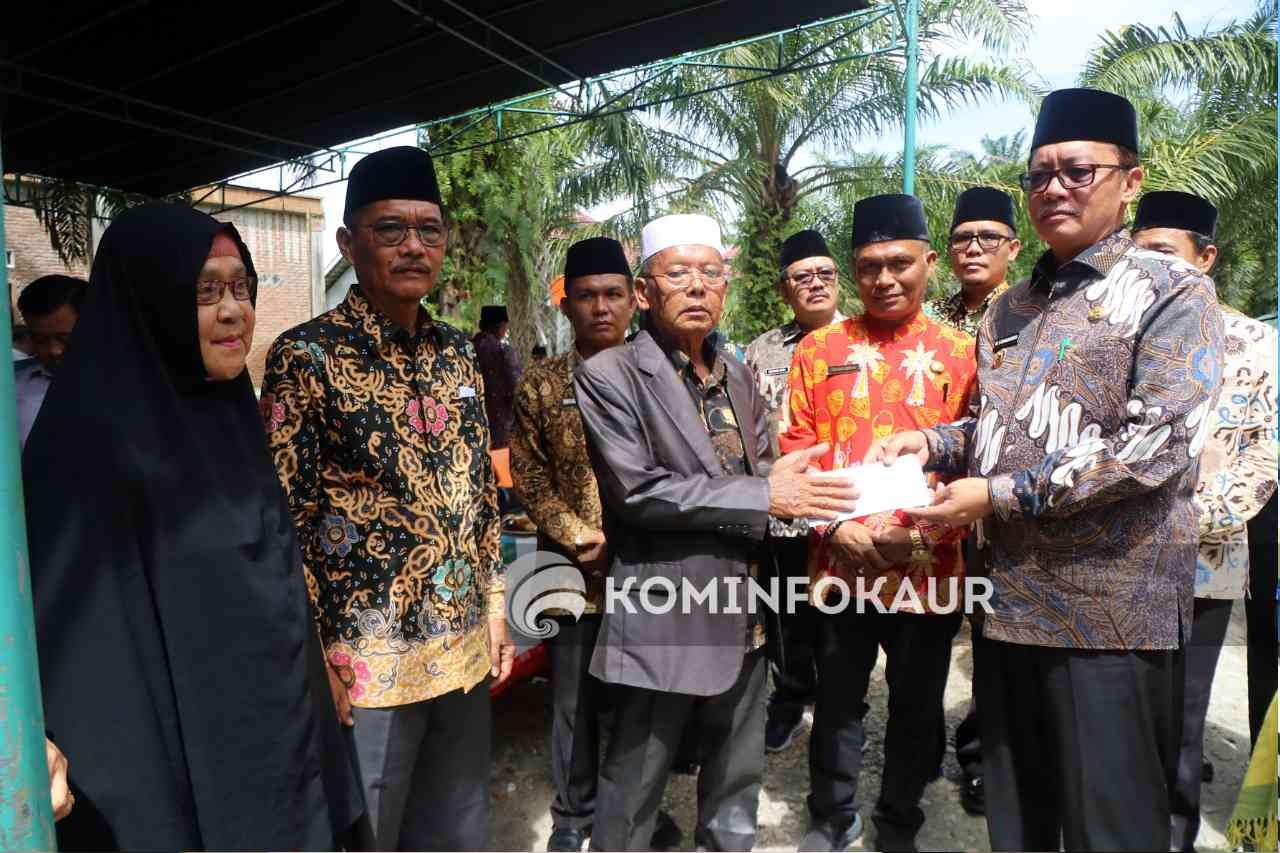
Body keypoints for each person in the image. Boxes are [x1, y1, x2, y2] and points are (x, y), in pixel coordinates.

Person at [869, 88, 1225, 852]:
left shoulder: (1175, 291)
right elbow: (998, 428)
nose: (1054, 188)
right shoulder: (1010, 309)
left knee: (1111, 829)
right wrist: (931, 444)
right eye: (1039, 174)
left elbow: (1152, 447)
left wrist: (993, 495)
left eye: (1077, 170)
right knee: (1018, 821)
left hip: (1110, 615)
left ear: (1130, 180)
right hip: (1007, 608)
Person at [25, 203, 362, 850]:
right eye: (204, 291)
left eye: (241, 287)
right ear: (152, 301)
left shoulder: (229, 418)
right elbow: (88, 672)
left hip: (277, 759)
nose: (233, 310)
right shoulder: (87, 456)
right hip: (183, 791)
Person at [573, 213, 859, 851]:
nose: (698, 286)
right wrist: (767, 492)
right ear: (646, 292)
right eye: (679, 273)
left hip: (746, 613)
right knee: (634, 786)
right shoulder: (610, 375)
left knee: (736, 783)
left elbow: (761, 472)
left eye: (711, 273)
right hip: (665, 612)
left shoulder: (739, 374)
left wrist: (783, 479)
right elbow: (638, 491)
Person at [262, 146, 514, 851]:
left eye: (429, 229)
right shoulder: (305, 357)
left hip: (462, 651)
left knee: (456, 832)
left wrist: (494, 605)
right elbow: (286, 523)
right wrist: (316, 662)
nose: (413, 245)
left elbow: (479, 494)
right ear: (348, 242)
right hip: (365, 667)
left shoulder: (459, 352)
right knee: (372, 833)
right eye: (390, 228)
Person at [782, 194, 976, 853]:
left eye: (900, 263)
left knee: (917, 707)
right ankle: (831, 815)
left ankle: (899, 823)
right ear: (853, 270)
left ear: (928, 261)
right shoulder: (817, 350)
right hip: (841, 563)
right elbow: (795, 450)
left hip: (930, 568)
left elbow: (981, 456)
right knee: (836, 703)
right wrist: (836, 531)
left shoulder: (964, 353)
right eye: (869, 266)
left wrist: (921, 536)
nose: (885, 278)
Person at [511, 236, 681, 852]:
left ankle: (635, 811)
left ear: (634, 300)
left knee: (641, 701)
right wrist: (578, 533)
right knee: (573, 702)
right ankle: (572, 817)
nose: (600, 307)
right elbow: (529, 472)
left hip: (646, 569)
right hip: (567, 572)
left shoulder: (660, 376)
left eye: (613, 294)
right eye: (586, 296)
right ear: (566, 303)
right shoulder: (541, 383)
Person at [1129, 190, 1279, 851]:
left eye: (1164, 254)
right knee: (1121, 710)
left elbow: (1261, 460)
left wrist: (1186, 522)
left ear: (1206, 257)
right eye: (1138, 257)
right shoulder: (1117, 337)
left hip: (1202, 563)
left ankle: (1172, 835)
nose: (1149, 270)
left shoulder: (1255, 344)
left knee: (1182, 718)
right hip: (1113, 561)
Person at [926, 186, 1021, 817]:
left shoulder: (1032, 313)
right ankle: (918, 742)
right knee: (927, 632)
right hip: (929, 497)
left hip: (998, 508)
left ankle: (985, 755)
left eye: (989, 237)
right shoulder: (928, 319)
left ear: (1014, 248)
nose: (975, 248)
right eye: (964, 237)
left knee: (993, 637)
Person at [743, 229, 846, 755]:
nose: (815, 285)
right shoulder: (761, 350)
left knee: (841, 619)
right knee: (786, 615)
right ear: (785, 290)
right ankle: (790, 698)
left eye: (824, 274)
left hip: (845, 510)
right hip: (784, 514)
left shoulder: (860, 340)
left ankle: (839, 706)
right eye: (801, 278)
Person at [14, 274, 86, 445]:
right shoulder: (11, 387)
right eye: (40, 340)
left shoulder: (129, 382)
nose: (54, 351)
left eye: (65, 339)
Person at [473, 304, 522, 449]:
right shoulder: (503, 352)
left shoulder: (466, 349)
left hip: (472, 426)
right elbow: (518, 389)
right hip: (501, 428)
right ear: (501, 326)